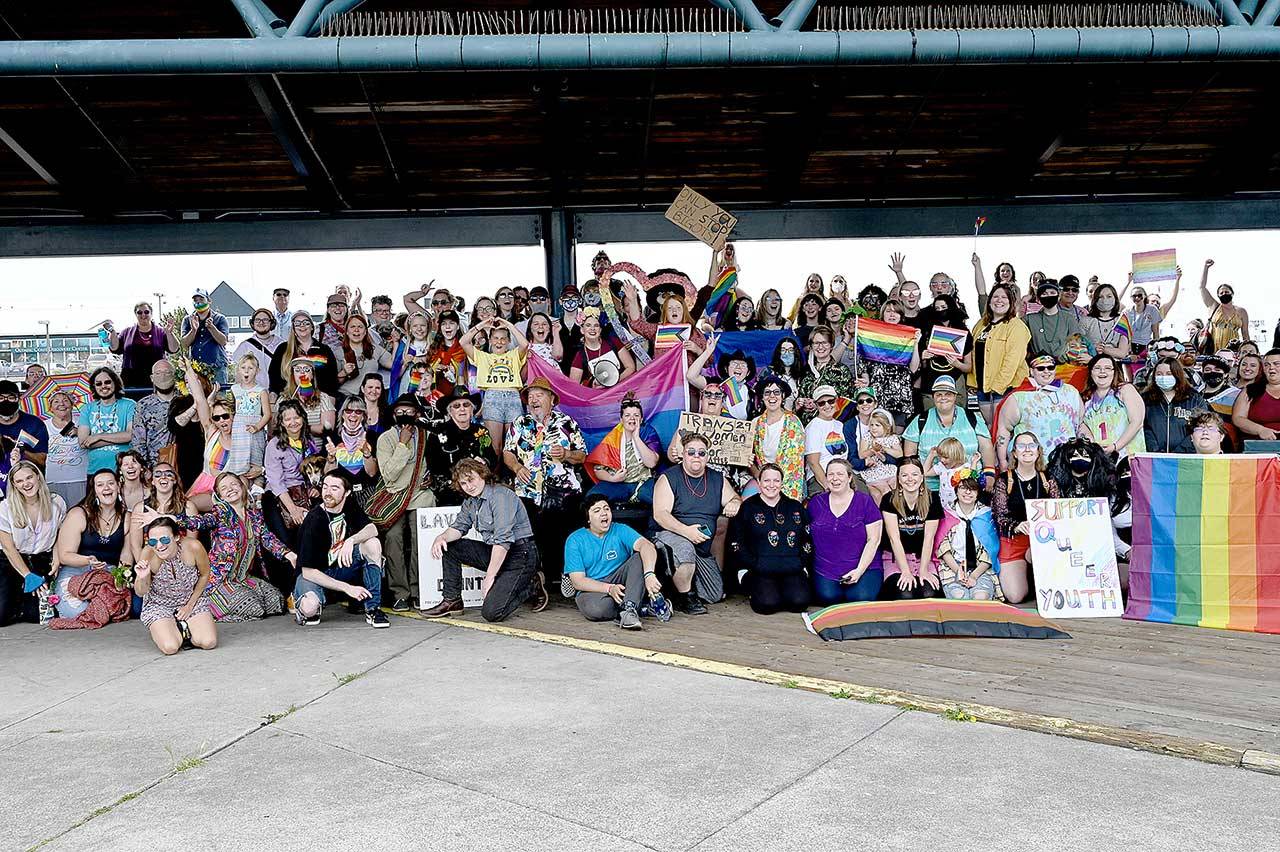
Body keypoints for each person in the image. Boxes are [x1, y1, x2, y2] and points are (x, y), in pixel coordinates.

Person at [147, 471, 296, 620]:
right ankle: (208, 609)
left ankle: (234, 600)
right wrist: (169, 518)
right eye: (224, 488)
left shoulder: (254, 514)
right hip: (219, 580)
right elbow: (200, 521)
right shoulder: (221, 512)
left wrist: (287, 554)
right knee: (254, 608)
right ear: (220, 495)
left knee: (276, 601)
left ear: (242, 487)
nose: (230, 489)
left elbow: (267, 537)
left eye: (233, 484)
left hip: (242, 578)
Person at [424, 458, 545, 622]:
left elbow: (503, 541)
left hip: (520, 554)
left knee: (491, 613)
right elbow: (459, 527)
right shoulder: (470, 502)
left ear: (482, 475)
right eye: (464, 483)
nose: (469, 486)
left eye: (471, 479)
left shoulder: (501, 496)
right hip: (496, 552)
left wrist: (490, 577)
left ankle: (531, 584)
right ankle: (452, 601)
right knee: (450, 547)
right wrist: (442, 537)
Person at [504, 377, 587, 578]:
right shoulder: (520, 423)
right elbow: (507, 452)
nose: (533, 400)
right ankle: (537, 581)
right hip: (528, 490)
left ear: (551, 399)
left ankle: (567, 578)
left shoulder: (566, 423)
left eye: (539, 395)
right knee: (531, 538)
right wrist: (516, 467)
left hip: (563, 492)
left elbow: (582, 455)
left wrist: (567, 454)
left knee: (563, 537)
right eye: (530, 396)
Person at [651, 432, 740, 614]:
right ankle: (686, 597)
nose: (696, 456)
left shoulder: (717, 478)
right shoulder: (668, 478)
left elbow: (735, 498)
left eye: (701, 453)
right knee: (685, 550)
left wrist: (734, 503)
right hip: (671, 535)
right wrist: (686, 531)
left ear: (707, 456)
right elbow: (660, 514)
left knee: (714, 594)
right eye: (691, 452)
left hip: (702, 546)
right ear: (683, 453)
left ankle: (675, 589)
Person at [292, 470, 389, 628]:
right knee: (310, 609)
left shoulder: (349, 505)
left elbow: (373, 529)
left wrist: (351, 540)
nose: (328, 493)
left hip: (340, 567)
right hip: (315, 575)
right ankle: (302, 601)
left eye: (335, 488)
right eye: (325, 487)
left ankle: (373, 608)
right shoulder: (314, 520)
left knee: (372, 543)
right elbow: (308, 571)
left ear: (347, 493)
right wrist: (347, 588)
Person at [375, 394, 439, 611]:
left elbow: (437, 465)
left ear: (417, 414)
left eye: (409, 411)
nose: (404, 415)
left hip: (420, 495)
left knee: (420, 538)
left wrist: (432, 477)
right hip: (394, 498)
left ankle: (419, 589)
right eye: (400, 411)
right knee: (393, 538)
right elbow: (389, 475)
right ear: (394, 415)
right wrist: (402, 444)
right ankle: (400, 592)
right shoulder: (385, 439)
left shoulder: (427, 436)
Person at [565, 494, 664, 628]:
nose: (604, 513)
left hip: (621, 582)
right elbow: (578, 582)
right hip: (593, 589)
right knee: (596, 610)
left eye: (606, 509)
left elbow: (646, 545)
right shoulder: (575, 540)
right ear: (588, 518)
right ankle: (642, 607)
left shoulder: (620, 529)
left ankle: (629, 609)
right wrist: (609, 588)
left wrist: (649, 574)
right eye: (597, 510)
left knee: (639, 557)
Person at [729, 463, 811, 615]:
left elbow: (807, 538)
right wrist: (753, 563)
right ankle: (758, 588)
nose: (771, 485)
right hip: (759, 568)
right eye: (767, 481)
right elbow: (736, 542)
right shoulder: (747, 508)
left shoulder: (795, 507)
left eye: (776, 480)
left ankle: (784, 588)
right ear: (759, 483)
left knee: (799, 602)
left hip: (791, 566)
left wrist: (801, 562)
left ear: (781, 482)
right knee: (767, 604)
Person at [53, 469, 135, 621]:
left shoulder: (127, 517)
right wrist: (87, 560)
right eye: (100, 485)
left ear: (118, 486)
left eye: (111, 483)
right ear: (94, 490)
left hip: (109, 571)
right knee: (77, 612)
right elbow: (65, 555)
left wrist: (122, 576)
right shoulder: (79, 514)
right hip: (76, 570)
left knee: (116, 608)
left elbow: (126, 554)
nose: (106, 488)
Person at [989, 433, 1060, 603]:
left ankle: (1036, 576)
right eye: (1021, 446)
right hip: (1013, 541)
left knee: (1038, 555)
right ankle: (1027, 577)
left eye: (1031, 445)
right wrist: (1016, 526)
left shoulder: (1048, 479)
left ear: (1038, 451)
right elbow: (999, 514)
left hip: (1040, 541)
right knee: (1015, 596)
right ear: (1014, 453)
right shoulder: (1005, 480)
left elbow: (1058, 511)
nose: (1027, 449)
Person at [133, 517, 216, 655]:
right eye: (153, 541)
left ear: (177, 537)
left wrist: (190, 605)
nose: (159, 546)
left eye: (164, 540)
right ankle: (175, 629)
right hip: (159, 604)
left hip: (190, 600)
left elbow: (205, 575)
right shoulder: (148, 553)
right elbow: (140, 592)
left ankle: (184, 629)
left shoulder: (193, 546)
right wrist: (142, 577)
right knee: (170, 647)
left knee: (208, 642)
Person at [808, 458, 884, 604]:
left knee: (860, 599)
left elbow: (874, 540)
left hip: (863, 567)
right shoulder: (816, 503)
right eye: (830, 474)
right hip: (826, 568)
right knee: (828, 598)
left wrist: (859, 570)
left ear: (850, 477)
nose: (835, 478)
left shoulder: (865, 501)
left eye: (840, 474)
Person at [0, 462, 67, 625]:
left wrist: (57, 559)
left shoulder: (56, 502)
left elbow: (60, 534)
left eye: (29, 477)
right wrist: (28, 576)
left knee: (36, 616)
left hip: (40, 559)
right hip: (11, 561)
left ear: (38, 476)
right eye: (20, 481)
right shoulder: (5, 506)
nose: (26, 484)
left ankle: (21, 602)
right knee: (1, 616)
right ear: (14, 485)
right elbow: (8, 548)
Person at [903, 376, 995, 491]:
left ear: (955, 396)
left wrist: (989, 473)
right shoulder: (921, 420)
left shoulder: (972, 417)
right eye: (939, 394)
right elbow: (909, 456)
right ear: (933, 397)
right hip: (930, 488)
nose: (943, 398)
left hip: (970, 487)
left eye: (948, 394)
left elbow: (986, 446)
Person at [182, 362, 252, 509]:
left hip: (231, 489)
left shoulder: (245, 436)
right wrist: (189, 371)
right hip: (206, 486)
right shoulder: (212, 432)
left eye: (225, 416)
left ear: (234, 415)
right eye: (216, 418)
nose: (221, 421)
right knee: (186, 506)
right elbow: (200, 400)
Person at [994, 355, 1085, 469]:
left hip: (1068, 462)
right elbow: (1004, 430)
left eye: (1050, 367)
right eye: (1041, 368)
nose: (1046, 371)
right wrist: (1002, 461)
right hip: (1033, 465)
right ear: (1031, 371)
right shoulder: (1018, 397)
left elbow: (1081, 423)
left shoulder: (1071, 391)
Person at [462, 316, 529, 459]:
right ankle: (494, 478)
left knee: (514, 444)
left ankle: (512, 478)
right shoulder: (482, 357)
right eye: (496, 338)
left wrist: (509, 325)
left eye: (503, 338)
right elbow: (464, 341)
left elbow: (524, 344)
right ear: (490, 340)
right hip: (492, 398)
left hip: (513, 398)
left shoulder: (514, 355)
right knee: (495, 447)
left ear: (509, 341)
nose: (499, 341)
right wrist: (482, 325)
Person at [262, 399, 322, 555]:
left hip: (303, 492)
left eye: (296, 417)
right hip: (279, 496)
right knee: (286, 541)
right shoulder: (274, 445)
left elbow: (313, 468)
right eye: (287, 419)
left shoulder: (308, 441)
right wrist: (293, 510)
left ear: (303, 418)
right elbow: (276, 482)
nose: (293, 422)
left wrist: (313, 487)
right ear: (281, 423)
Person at [878, 457, 942, 601]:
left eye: (914, 474)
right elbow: (894, 539)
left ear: (921, 477)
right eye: (904, 475)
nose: (910, 479)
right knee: (905, 593)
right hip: (896, 559)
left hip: (922, 558)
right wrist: (905, 571)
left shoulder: (932, 499)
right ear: (899, 479)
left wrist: (924, 570)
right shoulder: (889, 500)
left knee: (929, 593)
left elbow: (929, 538)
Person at [968, 284, 1031, 428]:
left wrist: (997, 387)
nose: (999, 300)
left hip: (1006, 387)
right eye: (995, 296)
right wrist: (973, 382)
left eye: (1004, 297)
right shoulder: (981, 324)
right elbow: (973, 353)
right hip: (983, 386)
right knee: (989, 426)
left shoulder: (1017, 326)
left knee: (1004, 427)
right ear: (989, 301)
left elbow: (1013, 360)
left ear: (1011, 302)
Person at [423, 388, 497, 505]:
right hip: (449, 492)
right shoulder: (437, 433)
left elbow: (492, 458)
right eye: (456, 406)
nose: (462, 409)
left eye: (466, 405)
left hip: (479, 490)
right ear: (449, 411)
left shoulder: (481, 431)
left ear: (472, 410)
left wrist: (483, 462)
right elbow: (433, 465)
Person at [936, 471, 1001, 600]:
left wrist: (974, 576)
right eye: (963, 488)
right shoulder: (947, 514)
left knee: (981, 597)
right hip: (953, 567)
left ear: (978, 493)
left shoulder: (986, 515)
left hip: (980, 568)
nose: (967, 492)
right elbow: (943, 549)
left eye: (972, 489)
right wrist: (958, 571)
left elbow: (990, 550)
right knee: (960, 596)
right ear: (956, 490)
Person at [587, 395, 662, 505]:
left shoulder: (648, 432)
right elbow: (598, 470)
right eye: (627, 415)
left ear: (641, 419)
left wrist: (636, 437)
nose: (632, 418)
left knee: (655, 500)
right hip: (619, 483)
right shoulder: (614, 437)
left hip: (644, 481)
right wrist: (612, 478)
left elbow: (651, 463)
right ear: (621, 420)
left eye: (636, 415)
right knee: (593, 497)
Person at [749, 376, 806, 501]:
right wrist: (759, 476)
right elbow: (747, 456)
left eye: (776, 392)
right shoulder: (755, 423)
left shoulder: (794, 422)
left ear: (783, 396)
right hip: (762, 480)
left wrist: (776, 483)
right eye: (767, 393)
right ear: (762, 397)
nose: (772, 396)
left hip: (788, 481)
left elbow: (796, 461)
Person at [915, 293, 974, 409]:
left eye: (943, 307)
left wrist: (957, 363)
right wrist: (922, 357)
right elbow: (914, 363)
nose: (940, 311)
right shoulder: (926, 331)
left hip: (956, 383)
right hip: (930, 386)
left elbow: (968, 367)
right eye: (937, 308)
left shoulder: (963, 332)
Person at [1080, 354, 1146, 456]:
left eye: (1108, 368)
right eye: (1097, 368)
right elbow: (1082, 425)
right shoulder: (1086, 398)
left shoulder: (1125, 389)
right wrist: (1093, 446)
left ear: (1114, 372)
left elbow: (1137, 422)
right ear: (1091, 372)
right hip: (1100, 459)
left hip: (1128, 457)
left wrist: (1115, 446)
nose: (1102, 371)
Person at [106, 301, 177, 393]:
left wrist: (169, 332)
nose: (143, 315)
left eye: (146, 312)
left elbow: (174, 349)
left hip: (156, 381)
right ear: (135, 314)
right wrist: (112, 331)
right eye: (139, 312)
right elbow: (114, 348)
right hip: (130, 381)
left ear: (151, 313)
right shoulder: (127, 332)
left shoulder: (161, 332)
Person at [77, 367, 136, 475]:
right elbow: (83, 442)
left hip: (124, 469)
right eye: (98, 384)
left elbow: (130, 435)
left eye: (107, 382)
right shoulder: (87, 408)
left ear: (115, 383)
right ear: (94, 387)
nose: (103, 386)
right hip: (96, 471)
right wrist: (119, 438)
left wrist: (98, 436)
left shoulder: (129, 405)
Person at [1142, 358, 1206, 453]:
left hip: (1186, 457)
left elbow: (1202, 426)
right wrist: (1155, 450)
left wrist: (1180, 451)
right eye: (1159, 374)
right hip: (1154, 457)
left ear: (1177, 374)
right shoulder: (1145, 399)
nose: (1163, 377)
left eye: (1169, 373)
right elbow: (1143, 427)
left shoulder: (1194, 398)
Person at [269, 311, 340, 397]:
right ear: (293, 329)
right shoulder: (282, 349)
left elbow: (332, 380)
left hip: (320, 400)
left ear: (312, 327)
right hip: (290, 400)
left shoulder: (324, 350)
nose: (302, 325)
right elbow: (274, 378)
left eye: (306, 322)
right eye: (297, 323)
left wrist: (330, 402)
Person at [804, 385, 855, 495]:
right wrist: (828, 486)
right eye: (821, 403)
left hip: (843, 475)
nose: (827, 405)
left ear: (836, 401)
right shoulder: (813, 427)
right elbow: (813, 462)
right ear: (816, 405)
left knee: (863, 497)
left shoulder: (840, 425)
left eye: (830, 401)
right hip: (821, 476)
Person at [0, 379, 48, 494]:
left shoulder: (34, 424)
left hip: (29, 489)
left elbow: (42, 460)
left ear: (19, 398)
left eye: (11, 397)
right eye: (0, 398)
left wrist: (22, 451)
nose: (6, 401)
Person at [795, 326, 853, 421]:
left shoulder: (841, 371)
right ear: (811, 346)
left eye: (824, 343)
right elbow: (799, 399)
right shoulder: (805, 371)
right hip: (806, 427)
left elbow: (846, 404)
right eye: (816, 343)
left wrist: (819, 404)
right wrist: (799, 404)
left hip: (831, 428)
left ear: (831, 345)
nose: (820, 347)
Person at [42, 391, 87, 508]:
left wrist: (81, 432)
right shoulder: (43, 425)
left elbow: (93, 441)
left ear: (72, 405)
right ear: (50, 408)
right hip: (53, 479)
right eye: (56, 401)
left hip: (80, 478)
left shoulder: (83, 422)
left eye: (65, 400)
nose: (61, 404)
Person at [130, 359, 178, 471]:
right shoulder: (143, 405)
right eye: (158, 373)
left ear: (174, 376)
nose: (163, 376)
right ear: (152, 378)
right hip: (154, 466)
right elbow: (138, 441)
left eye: (167, 373)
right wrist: (145, 468)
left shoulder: (186, 400)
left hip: (183, 463)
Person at [569, 308, 635, 388]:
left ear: (600, 330)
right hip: (599, 397)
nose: (592, 328)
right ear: (582, 330)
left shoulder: (613, 342)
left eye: (596, 325)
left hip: (621, 391)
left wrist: (614, 383)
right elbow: (573, 387)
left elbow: (630, 367)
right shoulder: (580, 355)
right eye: (588, 325)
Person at [228, 354, 271, 477]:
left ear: (257, 371)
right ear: (238, 370)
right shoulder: (234, 389)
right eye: (243, 367)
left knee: (255, 456)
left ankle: (256, 486)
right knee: (239, 458)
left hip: (255, 427)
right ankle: (239, 478)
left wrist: (257, 427)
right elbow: (231, 409)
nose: (246, 371)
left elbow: (267, 414)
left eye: (250, 368)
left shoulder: (261, 391)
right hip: (239, 428)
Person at [180, 288, 231, 386]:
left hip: (217, 368)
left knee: (219, 399)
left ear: (209, 301)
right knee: (197, 398)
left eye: (201, 300)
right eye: (195, 301)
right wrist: (193, 330)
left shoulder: (220, 319)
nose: (198, 303)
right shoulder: (187, 320)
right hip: (196, 369)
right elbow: (184, 344)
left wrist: (212, 328)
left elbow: (223, 341)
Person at [325, 397, 378, 489]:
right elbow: (328, 476)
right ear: (342, 415)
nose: (353, 415)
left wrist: (366, 452)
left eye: (358, 412)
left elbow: (372, 473)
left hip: (366, 490)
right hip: (341, 491)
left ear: (363, 417)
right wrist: (331, 458)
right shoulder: (333, 438)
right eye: (349, 411)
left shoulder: (372, 437)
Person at [1198, 259, 1250, 353]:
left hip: (1234, 351)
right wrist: (1206, 268)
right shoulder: (1213, 306)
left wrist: (1249, 351)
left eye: (1226, 292)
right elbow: (1202, 287)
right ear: (1218, 296)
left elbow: (1245, 333)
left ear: (1232, 293)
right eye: (1221, 293)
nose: (1224, 294)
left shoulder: (1241, 311)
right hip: (1214, 349)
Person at [336, 314, 393, 398]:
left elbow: (393, 364)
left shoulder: (375, 349)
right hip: (346, 397)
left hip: (370, 397)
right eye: (352, 326)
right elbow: (333, 384)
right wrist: (344, 372)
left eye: (360, 327)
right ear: (347, 331)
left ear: (366, 331)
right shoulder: (338, 352)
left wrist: (396, 342)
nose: (356, 330)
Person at [1026, 279, 1083, 363]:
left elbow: (1076, 344)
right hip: (1038, 367)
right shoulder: (1029, 319)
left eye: (1052, 293)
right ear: (1039, 298)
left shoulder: (1069, 318)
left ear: (1058, 295)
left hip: (1064, 367)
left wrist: (1062, 358)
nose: (1048, 296)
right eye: (1044, 294)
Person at [1232, 348, 1280, 442]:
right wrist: (1260, 430)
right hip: (1256, 444)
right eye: (1267, 365)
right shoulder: (1250, 390)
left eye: (1276, 364)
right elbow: (1238, 418)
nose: (1271, 368)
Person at [281, 358, 335, 438]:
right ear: (293, 375)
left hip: (316, 448)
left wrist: (302, 426)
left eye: (306, 369)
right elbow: (277, 427)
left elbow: (327, 427)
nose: (302, 372)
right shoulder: (284, 399)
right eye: (297, 370)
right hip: (291, 448)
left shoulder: (323, 398)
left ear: (312, 375)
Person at [232, 308, 285, 387]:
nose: (261, 322)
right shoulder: (245, 346)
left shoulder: (282, 345)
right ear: (253, 323)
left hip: (279, 391)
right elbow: (238, 373)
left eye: (265, 319)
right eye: (257, 320)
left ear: (272, 323)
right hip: (254, 393)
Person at [1079, 283, 1132, 360]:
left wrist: (1103, 349)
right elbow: (1078, 346)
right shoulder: (1086, 320)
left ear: (1115, 299)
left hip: (1114, 366)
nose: (1105, 300)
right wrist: (1093, 349)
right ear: (1095, 300)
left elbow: (1122, 353)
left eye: (1109, 296)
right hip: (1090, 365)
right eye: (1100, 297)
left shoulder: (1121, 320)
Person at [764, 336, 807, 410]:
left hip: (794, 418)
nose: (787, 353)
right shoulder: (768, 372)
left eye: (791, 350)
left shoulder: (802, 376)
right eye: (783, 350)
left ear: (796, 353)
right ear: (778, 353)